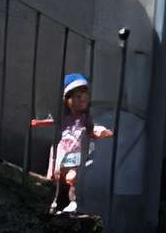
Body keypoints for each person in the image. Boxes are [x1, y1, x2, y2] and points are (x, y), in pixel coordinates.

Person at [31, 73, 113, 214]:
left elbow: (93, 129)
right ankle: (54, 202)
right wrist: (39, 122)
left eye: (85, 95)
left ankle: (73, 202)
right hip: (62, 152)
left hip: (76, 153)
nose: (83, 99)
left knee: (73, 178)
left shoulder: (85, 119)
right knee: (57, 179)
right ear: (67, 99)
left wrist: (102, 132)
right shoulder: (64, 118)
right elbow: (52, 121)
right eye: (78, 96)